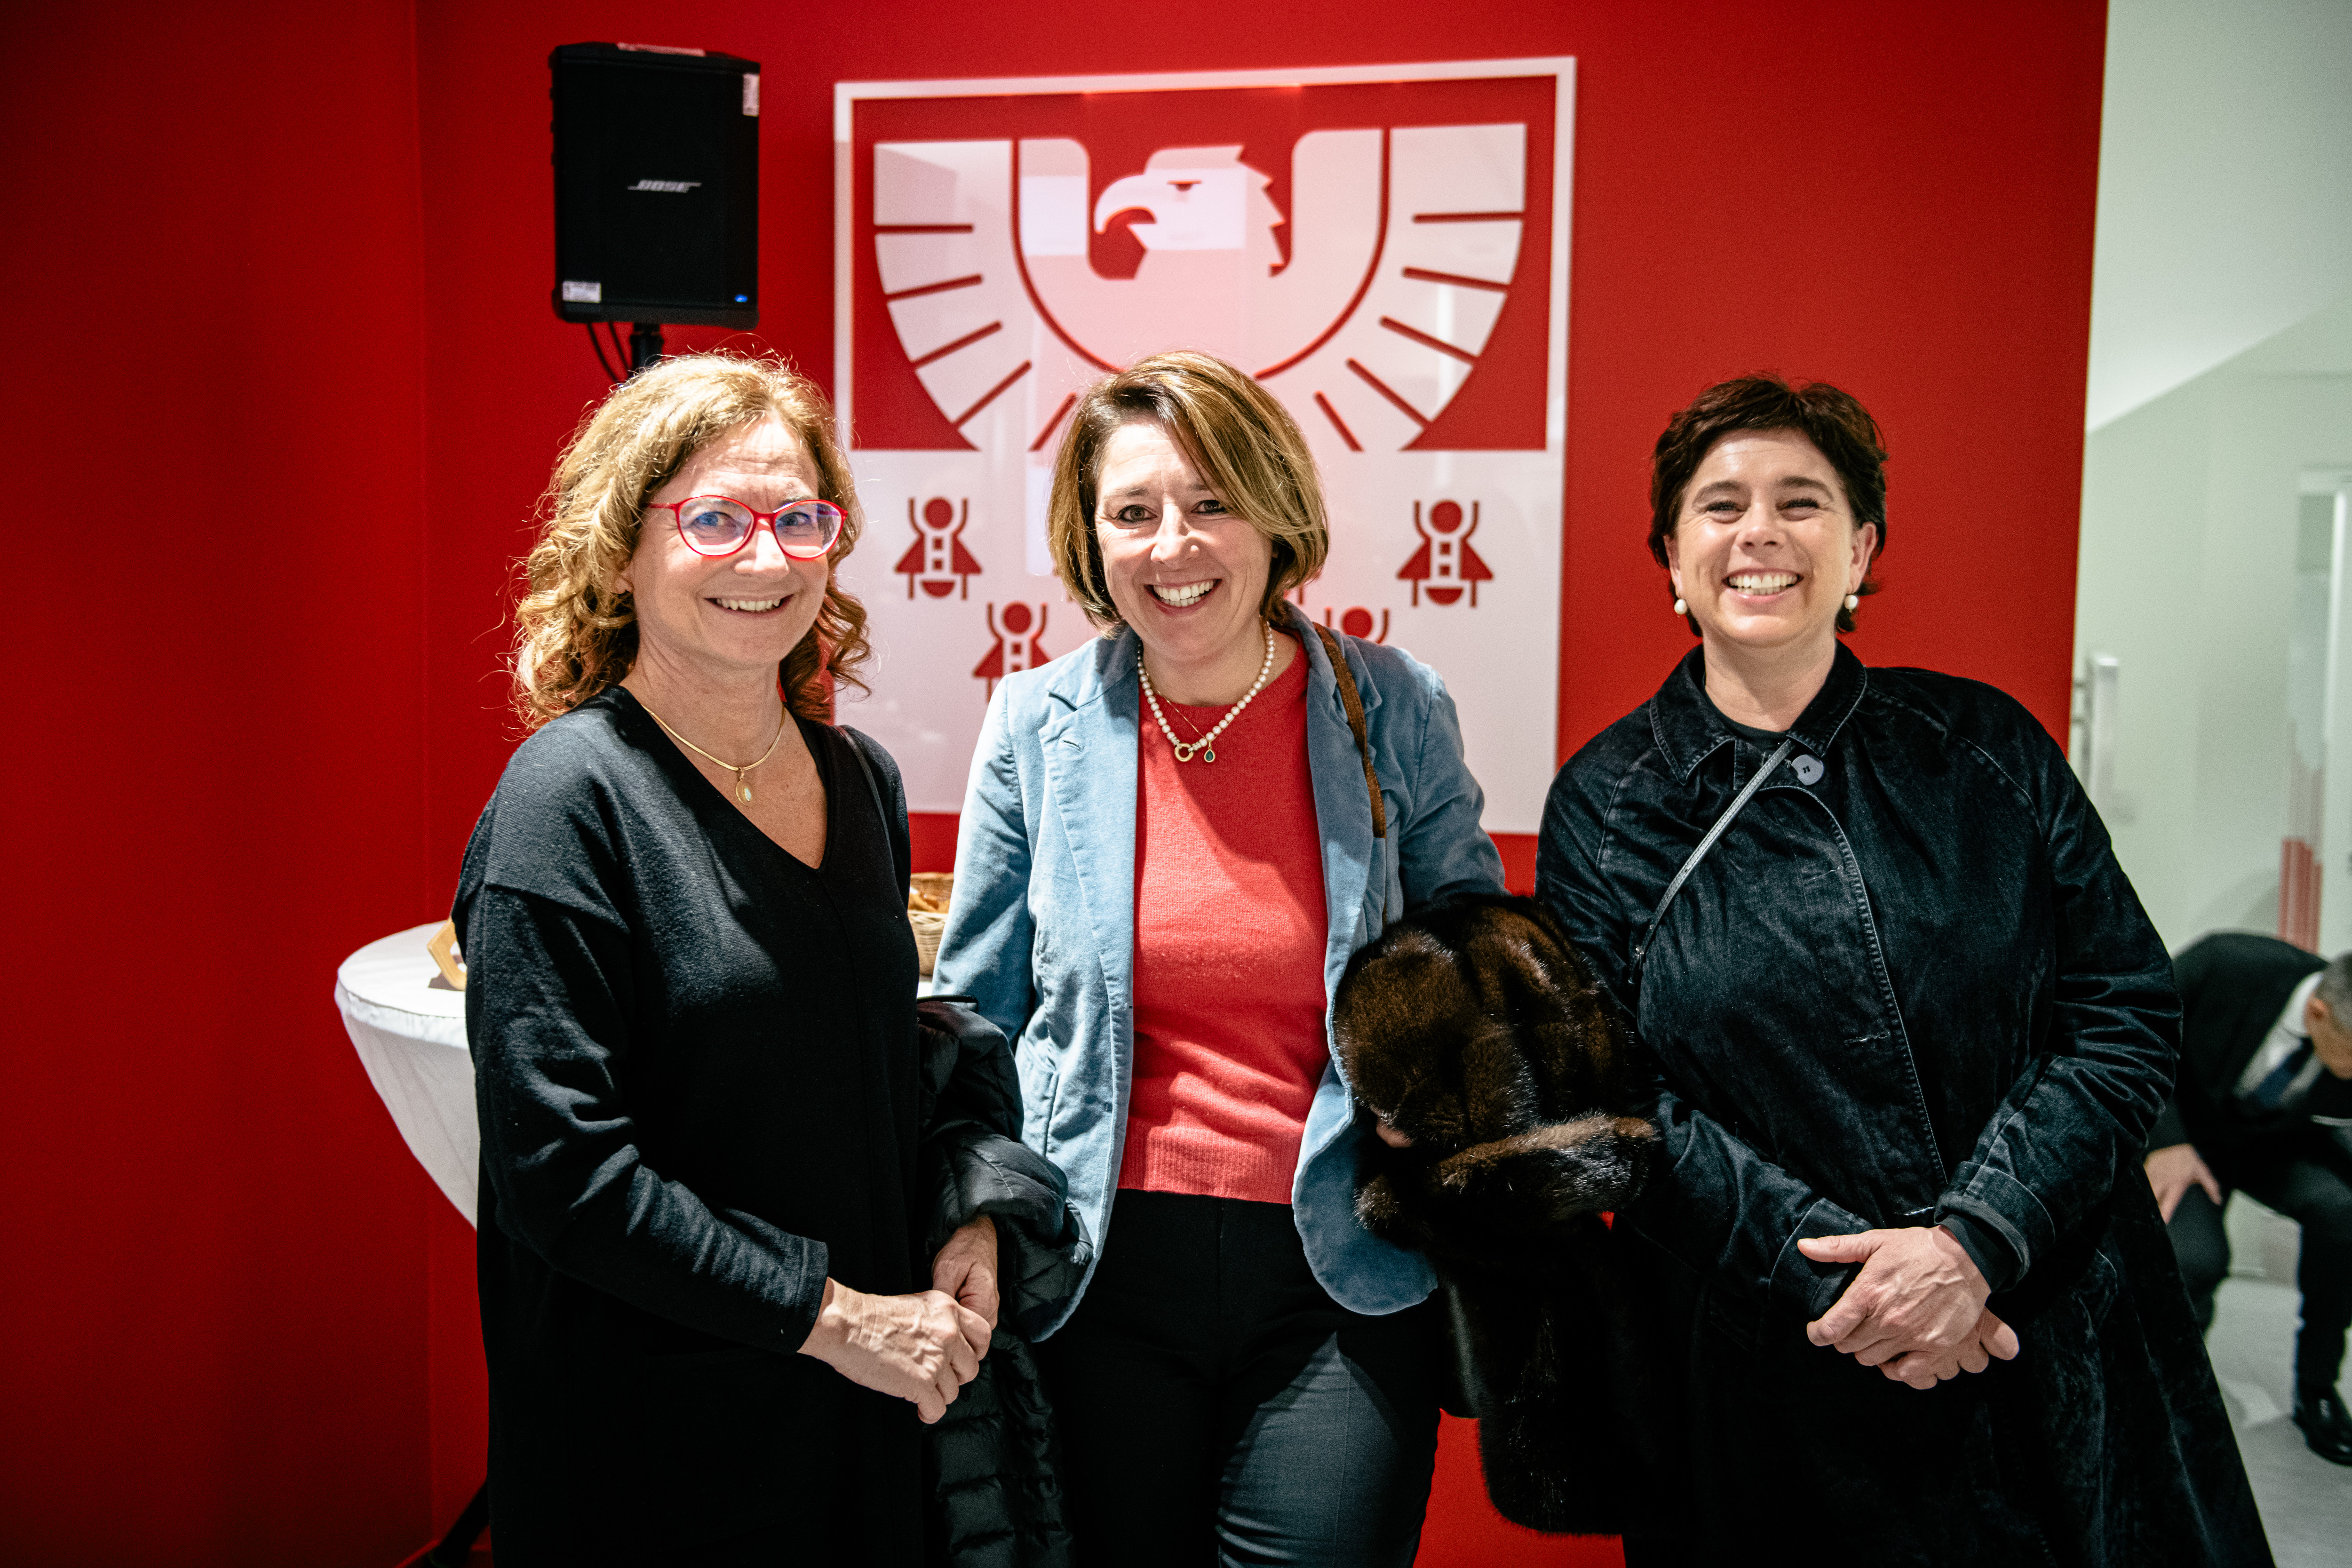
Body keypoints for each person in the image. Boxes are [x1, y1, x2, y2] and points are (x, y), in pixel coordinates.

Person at [1535, 373, 2267, 1563]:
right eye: (1720, 506)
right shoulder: (1608, 803)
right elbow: (1611, 1100)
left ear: (1861, 549)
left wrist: (1974, 1240)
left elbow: (2121, 1010)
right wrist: (1854, 1285)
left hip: (2040, 1325)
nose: (1759, 532)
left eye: (1802, 502)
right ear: (1671, 556)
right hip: (1770, 1368)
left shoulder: (1982, 747)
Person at [933, 350, 1505, 1567]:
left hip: (1340, 1268)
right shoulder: (1034, 724)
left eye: (1210, 502)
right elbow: (971, 1019)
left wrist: (1434, 1078)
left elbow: (1479, 956)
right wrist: (968, 1214)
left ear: (1275, 512)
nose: (1172, 544)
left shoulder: (1393, 703)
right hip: (1094, 1270)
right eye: (1132, 512)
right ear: (1090, 539)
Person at [454, 355, 1005, 1566]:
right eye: (714, 519)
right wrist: (837, 1316)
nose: (766, 559)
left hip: (857, 1423)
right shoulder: (567, 800)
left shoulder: (859, 780)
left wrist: (965, 1220)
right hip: (654, 1450)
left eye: (799, 519)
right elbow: (566, 1179)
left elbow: (874, 1082)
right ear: (619, 550)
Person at [2152, 931, 2352, 1463]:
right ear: (2317, 1014)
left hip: (2277, 1147)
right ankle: (2170, 1391)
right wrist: (2166, 1140)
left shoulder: (2341, 1034)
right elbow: (2134, 1033)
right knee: (2195, 1258)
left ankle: (2316, 1386)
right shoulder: (2228, 964)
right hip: (2186, 1134)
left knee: (2344, 1214)